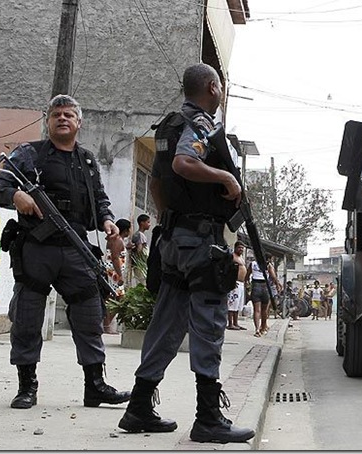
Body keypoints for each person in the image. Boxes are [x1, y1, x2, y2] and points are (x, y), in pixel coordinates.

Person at [117, 63, 254, 443]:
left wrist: (169, 223)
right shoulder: (200, 124)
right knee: (208, 324)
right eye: (222, 85)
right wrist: (226, 176)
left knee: (166, 323)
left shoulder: (169, 124)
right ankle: (208, 417)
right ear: (213, 87)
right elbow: (183, 162)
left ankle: (139, 406)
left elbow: (160, 182)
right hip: (200, 243)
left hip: (175, 239)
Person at [0, 94, 131, 409]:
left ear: (79, 122)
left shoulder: (88, 160)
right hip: (37, 248)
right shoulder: (29, 155)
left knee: (90, 315)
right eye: (56, 114)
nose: (62, 118)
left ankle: (95, 386)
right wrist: (15, 196)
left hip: (75, 248)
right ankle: (27, 387)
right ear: (48, 121)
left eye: (68, 114)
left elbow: (99, 199)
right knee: (27, 317)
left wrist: (106, 220)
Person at [103, 218, 132, 334]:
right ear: (125, 230)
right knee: (116, 299)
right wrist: (120, 275)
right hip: (114, 273)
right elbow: (115, 258)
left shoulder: (117, 240)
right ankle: (106, 325)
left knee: (116, 299)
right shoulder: (117, 240)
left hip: (113, 272)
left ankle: (107, 324)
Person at [245, 253, 281, 337]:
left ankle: (257, 329)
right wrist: (277, 285)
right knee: (264, 310)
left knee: (256, 310)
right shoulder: (268, 265)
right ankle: (263, 327)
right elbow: (273, 276)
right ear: (268, 259)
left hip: (255, 287)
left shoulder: (253, 264)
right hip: (265, 287)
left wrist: (246, 284)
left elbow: (247, 275)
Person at [227, 240, 247, 331]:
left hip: (241, 284)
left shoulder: (241, 258)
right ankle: (230, 323)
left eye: (242, 248)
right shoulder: (232, 257)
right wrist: (231, 280)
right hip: (235, 283)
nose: (241, 249)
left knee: (238, 305)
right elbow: (229, 268)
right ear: (235, 248)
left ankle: (236, 323)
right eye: (239, 248)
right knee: (232, 303)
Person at [130, 213, 150, 285]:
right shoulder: (140, 235)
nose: (149, 224)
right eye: (148, 222)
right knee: (142, 283)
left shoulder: (138, 234)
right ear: (142, 223)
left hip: (140, 263)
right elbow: (139, 249)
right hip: (140, 263)